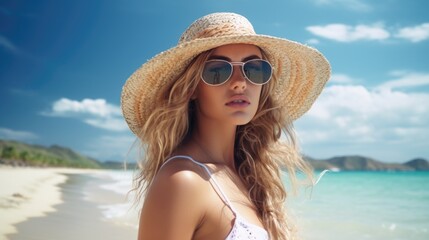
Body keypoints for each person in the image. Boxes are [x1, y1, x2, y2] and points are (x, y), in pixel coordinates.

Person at [121, 12, 330, 240]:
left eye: (254, 69)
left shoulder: (247, 178)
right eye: (218, 70)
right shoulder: (182, 180)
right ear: (191, 88)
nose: (240, 82)